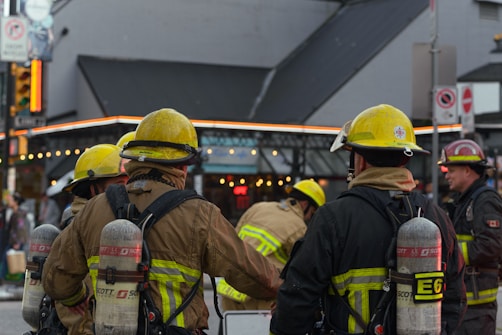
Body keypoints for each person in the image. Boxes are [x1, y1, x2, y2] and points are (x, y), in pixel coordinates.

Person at [42, 108, 282, 334]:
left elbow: (55, 281)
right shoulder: (199, 214)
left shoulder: (94, 208)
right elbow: (252, 274)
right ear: (181, 166)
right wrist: (289, 289)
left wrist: (76, 300)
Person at [270, 104, 467, 335]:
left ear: (360, 160)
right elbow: (455, 299)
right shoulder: (437, 217)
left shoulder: (333, 218)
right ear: (404, 159)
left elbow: (297, 298)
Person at [45, 143, 129, 335]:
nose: (124, 193)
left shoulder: (114, 222)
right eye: (118, 185)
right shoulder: (84, 227)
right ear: (92, 189)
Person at [218, 179, 326, 311]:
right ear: (305, 204)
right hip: (260, 295)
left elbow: (233, 238)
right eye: (312, 213)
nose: (310, 218)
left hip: (230, 288)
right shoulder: (298, 227)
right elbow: (304, 267)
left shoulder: (258, 207)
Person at [438, 138, 502, 335]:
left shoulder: (485, 200)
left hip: (477, 308)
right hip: (463, 303)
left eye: (451, 170)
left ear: (467, 170)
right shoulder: (463, 202)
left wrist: (450, 256)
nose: (447, 175)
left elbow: (491, 245)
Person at [0, 192, 29, 282]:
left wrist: (17, 242)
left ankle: (2, 278)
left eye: (11, 200)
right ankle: (24, 279)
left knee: (7, 259)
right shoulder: (15, 212)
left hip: (16, 241)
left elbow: (20, 229)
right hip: (15, 240)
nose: (9, 202)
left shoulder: (18, 214)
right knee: (19, 260)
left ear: (16, 202)